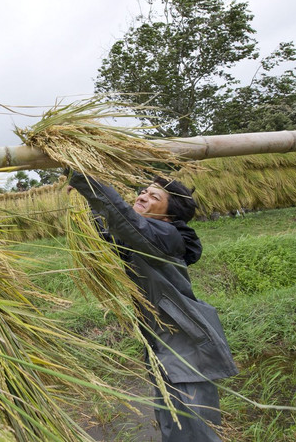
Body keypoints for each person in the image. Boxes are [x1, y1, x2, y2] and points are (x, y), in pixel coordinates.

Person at [68, 172, 238, 442]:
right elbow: (111, 235)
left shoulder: (166, 236)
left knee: (196, 434)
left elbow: (125, 220)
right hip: (165, 348)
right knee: (174, 428)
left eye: (154, 196)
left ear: (168, 217)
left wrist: (85, 180)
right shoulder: (143, 242)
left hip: (186, 349)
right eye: (144, 192)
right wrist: (86, 203)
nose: (143, 196)